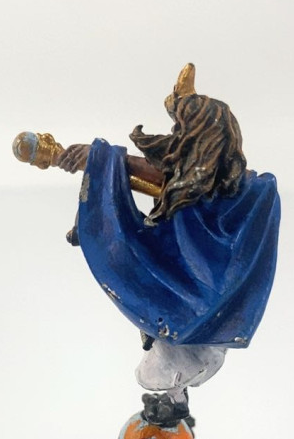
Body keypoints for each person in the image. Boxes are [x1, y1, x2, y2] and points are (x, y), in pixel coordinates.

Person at [55, 64, 281, 405]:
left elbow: (175, 180)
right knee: (165, 360)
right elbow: (167, 177)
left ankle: (174, 404)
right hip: (187, 315)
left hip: (191, 312)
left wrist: (100, 160)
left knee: (167, 365)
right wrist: (100, 159)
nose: (175, 137)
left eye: (181, 129)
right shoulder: (216, 188)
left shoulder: (243, 194)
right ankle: (174, 404)